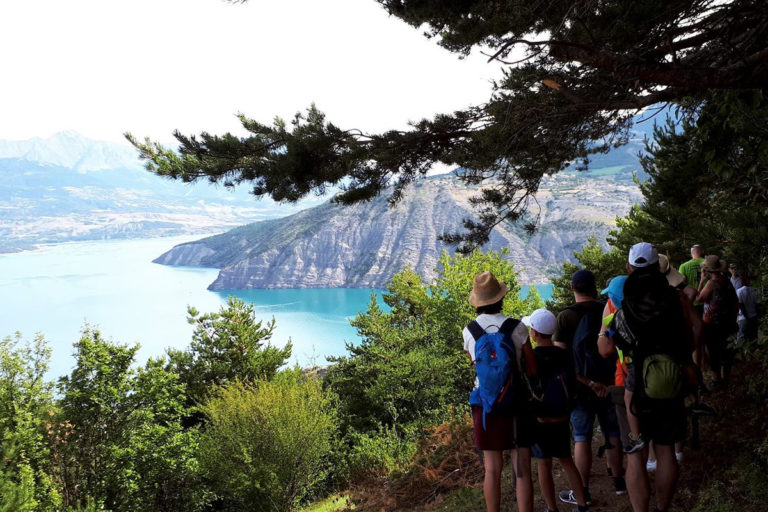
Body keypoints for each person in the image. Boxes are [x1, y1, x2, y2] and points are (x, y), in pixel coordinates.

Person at [602, 242, 697, 512]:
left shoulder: (624, 305)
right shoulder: (674, 299)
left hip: (636, 385)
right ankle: (662, 508)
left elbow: (610, 346)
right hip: (671, 379)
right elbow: (688, 339)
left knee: (635, 453)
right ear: (658, 266)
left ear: (629, 268)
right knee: (666, 450)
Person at [464, 271, 536, 512]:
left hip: (485, 405)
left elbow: (475, 365)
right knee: (522, 468)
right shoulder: (517, 328)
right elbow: (532, 368)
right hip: (516, 401)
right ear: (500, 298)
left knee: (492, 469)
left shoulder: (470, 331)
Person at [555, 270, 624, 507]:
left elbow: (560, 355)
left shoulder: (565, 317)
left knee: (581, 437)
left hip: (581, 386)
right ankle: (619, 483)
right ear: (595, 289)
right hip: (610, 381)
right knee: (613, 432)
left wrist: (577, 382)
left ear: (573, 288)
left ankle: (582, 489)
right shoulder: (606, 307)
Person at [525, 308, 590, 512]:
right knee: (566, 461)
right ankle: (582, 505)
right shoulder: (563, 355)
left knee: (543, 464)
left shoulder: (532, 358)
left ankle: (552, 509)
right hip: (562, 417)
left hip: (541, 420)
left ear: (534, 333)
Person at [697, 255, 739, 387]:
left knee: (714, 352)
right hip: (728, 322)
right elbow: (735, 302)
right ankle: (726, 378)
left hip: (713, 325)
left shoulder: (711, 283)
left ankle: (716, 380)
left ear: (707, 271)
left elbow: (699, 298)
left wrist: (702, 280)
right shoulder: (726, 281)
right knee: (727, 351)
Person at [736, 275, 761, 343]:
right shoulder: (756, 290)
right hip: (753, 317)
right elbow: (758, 305)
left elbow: (741, 305)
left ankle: (743, 353)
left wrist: (747, 317)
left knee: (741, 339)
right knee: (753, 338)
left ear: (742, 281)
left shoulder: (739, 291)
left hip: (743, 318)